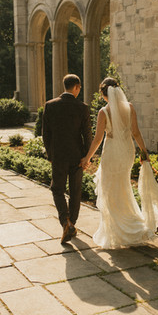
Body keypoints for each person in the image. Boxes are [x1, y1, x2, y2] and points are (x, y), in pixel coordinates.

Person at [80, 77, 158, 249]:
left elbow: (98, 139)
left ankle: (119, 230)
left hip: (112, 152)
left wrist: (87, 158)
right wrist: (145, 153)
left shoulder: (103, 112)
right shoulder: (129, 108)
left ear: (103, 94)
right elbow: (136, 133)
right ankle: (132, 223)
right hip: (127, 152)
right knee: (123, 186)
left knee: (109, 189)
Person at [42, 74, 92, 244]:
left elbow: (45, 134)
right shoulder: (82, 107)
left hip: (58, 156)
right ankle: (72, 224)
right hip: (77, 156)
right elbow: (87, 135)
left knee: (57, 189)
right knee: (75, 191)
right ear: (77, 87)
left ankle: (66, 222)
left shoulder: (50, 105)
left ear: (65, 86)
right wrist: (86, 156)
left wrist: (50, 154)